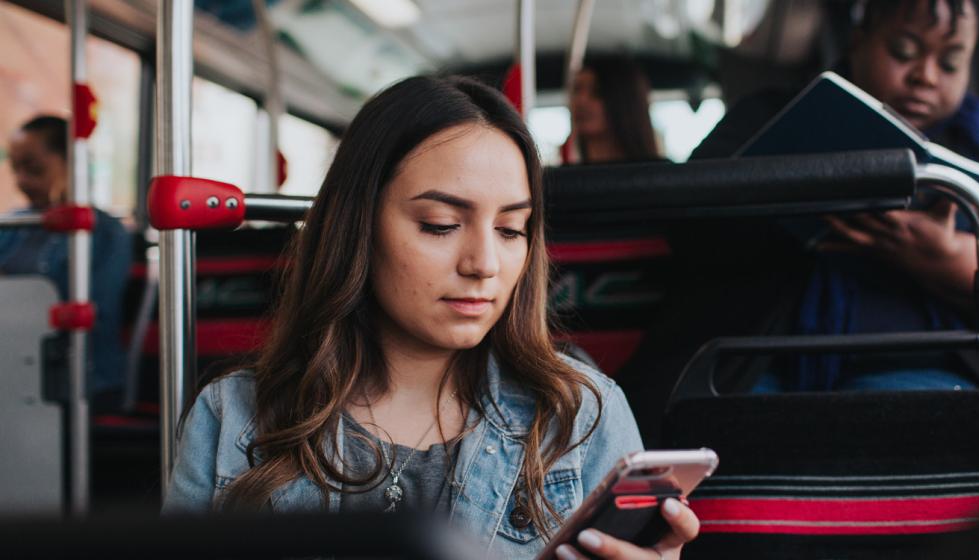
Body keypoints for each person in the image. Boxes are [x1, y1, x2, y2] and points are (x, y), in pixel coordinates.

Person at [163, 76, 700, 559]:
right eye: (441, 225)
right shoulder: (232, 416)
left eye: (511, 230)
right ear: (358, 226)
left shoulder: (581, 418)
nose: (484, 264)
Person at [618, 0, 979, 441]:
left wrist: (958, 262)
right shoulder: (766, 117)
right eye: (903, 50)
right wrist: (809, 197)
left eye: (950, 61)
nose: (926, 76)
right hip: (756, 366)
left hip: (940, 370)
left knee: (916, 418)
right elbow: (688, 226)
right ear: (859, 40)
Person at [0, 115, 130, 407]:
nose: (21, 180)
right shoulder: (12, 226)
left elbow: (98, 312)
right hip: (13, 364)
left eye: (34, 168)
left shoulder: (104, 232)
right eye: (15, 169)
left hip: (79, 375)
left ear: (70, 163)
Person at [568, 55, 661, 163]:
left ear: (626, 104)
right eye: (577, 90)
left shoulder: (666, 175)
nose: (581, 101)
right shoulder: (559, 178)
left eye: (598, 92)